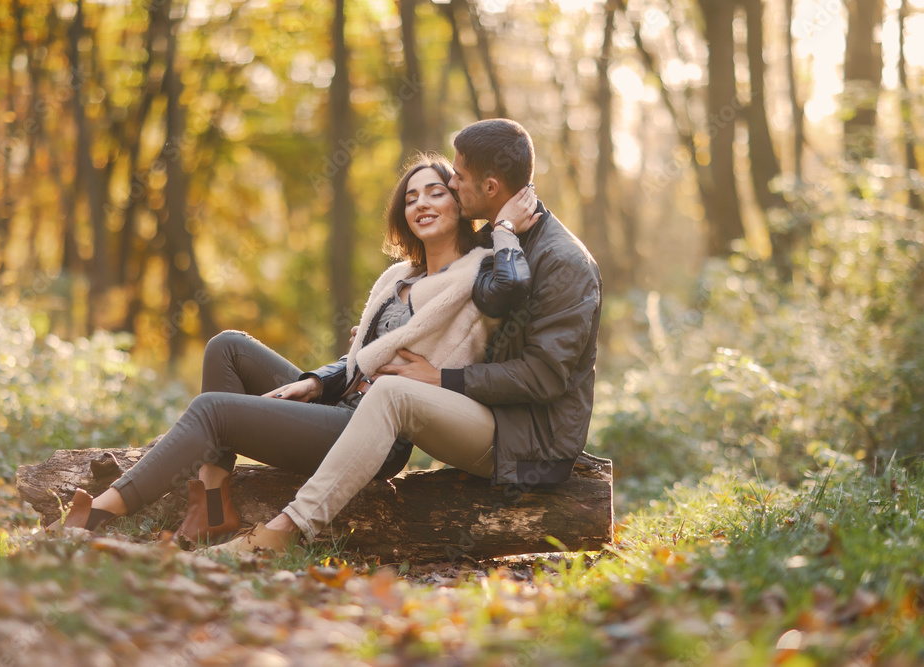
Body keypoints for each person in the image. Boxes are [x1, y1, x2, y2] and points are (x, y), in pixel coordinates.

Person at [50, 152, 536, 545]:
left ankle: (101, 511)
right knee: (227, 347)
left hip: (375, 428)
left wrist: (506, 228)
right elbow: (359, 359)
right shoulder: (397, 278)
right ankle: (213, 503)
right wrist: (313, 381)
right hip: (341, 399)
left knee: (214, 410)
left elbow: (514, 287)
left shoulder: (480, 272)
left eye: (436, 192)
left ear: (458, 204)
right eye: (411, 197)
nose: (422, 203)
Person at [217, 118, 602, 555]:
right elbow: (461, 314)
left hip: (531, 440)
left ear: (491, 187)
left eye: (458, 177)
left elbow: (544, 377)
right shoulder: (493, 239)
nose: (451, 184)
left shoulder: (562, 262)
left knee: (394, 392)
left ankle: (280, 535)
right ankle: (210, 505)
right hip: (486, 410)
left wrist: (439, 378)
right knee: (380, 386)